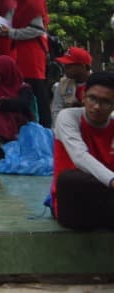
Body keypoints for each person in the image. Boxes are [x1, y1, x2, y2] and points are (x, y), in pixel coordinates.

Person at [51, 70, 114, 230]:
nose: (97, 107)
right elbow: (79, 156)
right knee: (70, 179)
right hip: (75, 201)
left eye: (106, 102)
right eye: (92, 98)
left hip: (106, 197)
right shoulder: (68, 117)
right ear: (84, 96)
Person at [1, 0, 52, 127]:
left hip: (31, 56)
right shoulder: (25, 2)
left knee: (35, 91)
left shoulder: (31, 5)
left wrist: (12, 32)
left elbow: (37, 30)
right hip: (25, 54)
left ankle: (42, 126)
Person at [52, 47, 92, 123]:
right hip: (67, 126)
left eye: (68, 65)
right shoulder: (62, 84)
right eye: (64, 64)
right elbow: (56, 111)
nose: (64, 67)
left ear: (82, 67)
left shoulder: (98, 85)